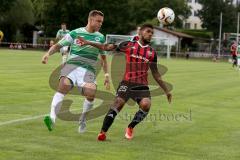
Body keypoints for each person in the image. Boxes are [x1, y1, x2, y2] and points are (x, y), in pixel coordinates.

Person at [78, 24, 172, 141]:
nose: (150, 34)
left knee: (146, 105)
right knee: (118, 104)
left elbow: (156, 73)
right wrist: (88, 42)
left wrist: (166, 91)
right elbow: (107, 47)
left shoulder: (152, 53)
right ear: (141, 33)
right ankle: (103, 132)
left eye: (152, 33)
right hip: (127, 83)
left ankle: (130, 127)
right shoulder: (128, 45)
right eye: (148, 32)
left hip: (142, 86)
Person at [41, 10, 110, 133]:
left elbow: (104, 58)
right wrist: (48, 54)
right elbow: (58, 45)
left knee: (91, 93)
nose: (100, 24)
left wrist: (106, 74)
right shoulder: (75, 33)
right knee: (62, 86)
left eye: (101, 22)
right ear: (91, 20)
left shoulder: (100, 37)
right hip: (71, 66)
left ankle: (82, 120)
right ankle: (52, 118)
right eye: (98, 21)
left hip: (88, 69)